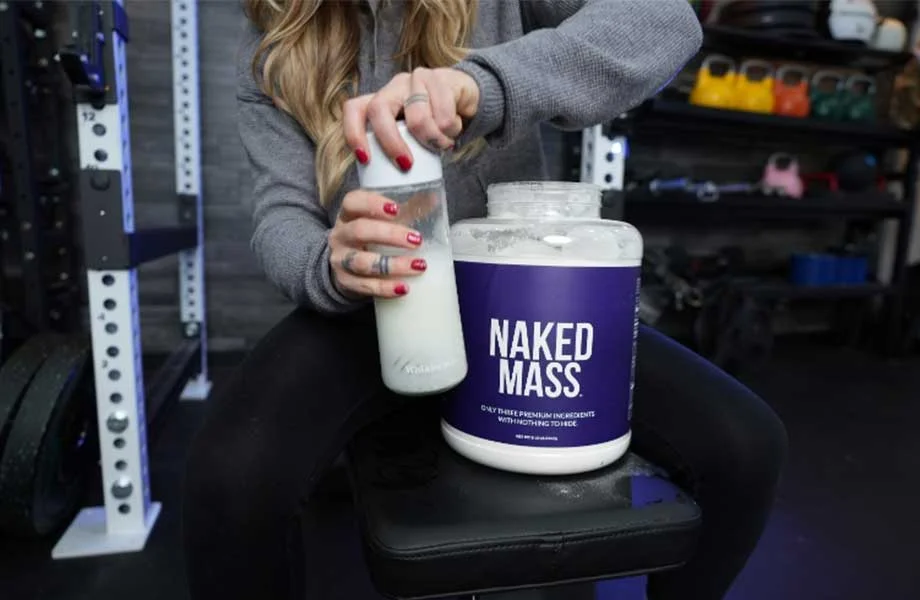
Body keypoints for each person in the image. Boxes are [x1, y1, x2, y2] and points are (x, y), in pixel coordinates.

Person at [182, 2, 788, 599]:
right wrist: (332, 263)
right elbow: (280, 212)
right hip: (372, 302)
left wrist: (483, 84)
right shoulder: (276, 34)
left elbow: (665, 20)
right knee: (230, 480)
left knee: (744, 444)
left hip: (510, 298)